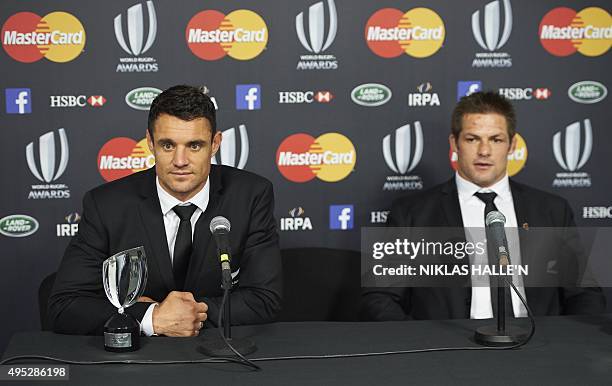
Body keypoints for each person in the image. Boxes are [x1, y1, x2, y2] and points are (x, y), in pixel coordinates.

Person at [49, 85, 282, 336]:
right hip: (134, 364)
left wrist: (187, 316)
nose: (180, 161)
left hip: (218, 359)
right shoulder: (106, 205)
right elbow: (65, 306)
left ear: (215, 144)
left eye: (194, 146)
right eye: (168, 145)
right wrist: (152, 318)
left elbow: (264, 300)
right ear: (150, 142)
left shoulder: (251, 195)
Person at [362, 91, 605, 321]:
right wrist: (420, 346)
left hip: (537, 348)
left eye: (496, 139)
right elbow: (380, 297)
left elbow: (585, 294)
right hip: (447, 353)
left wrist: (565, 343)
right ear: (454, 143)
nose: (484, 151)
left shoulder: (552, 210)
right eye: (472, 139)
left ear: (511, 146)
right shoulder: (412, 213)